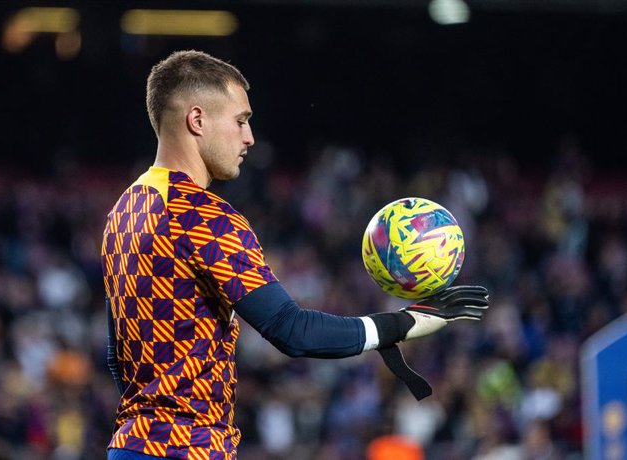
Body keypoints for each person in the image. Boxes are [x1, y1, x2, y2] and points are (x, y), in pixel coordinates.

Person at [100, 49, 489, 460]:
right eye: (241, 121)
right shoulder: (203, 216)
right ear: (197, 120)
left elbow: (116, 357)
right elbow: (292, 330)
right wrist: (404, 324)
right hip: (187, 450)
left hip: (131, 446)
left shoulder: (122, 212)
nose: (249, 137)